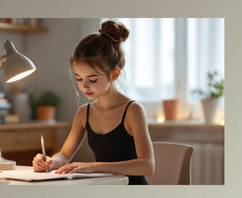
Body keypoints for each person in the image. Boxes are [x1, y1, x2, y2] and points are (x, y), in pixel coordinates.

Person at [32, 20, 155, 185]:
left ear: (114, 74)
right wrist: (49, 162)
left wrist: (94, 167)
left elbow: (147, 165)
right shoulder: (84, 113)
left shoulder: (133, 110)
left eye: (93, 79)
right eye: (79, 78)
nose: (84, 86)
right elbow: (64, 155)